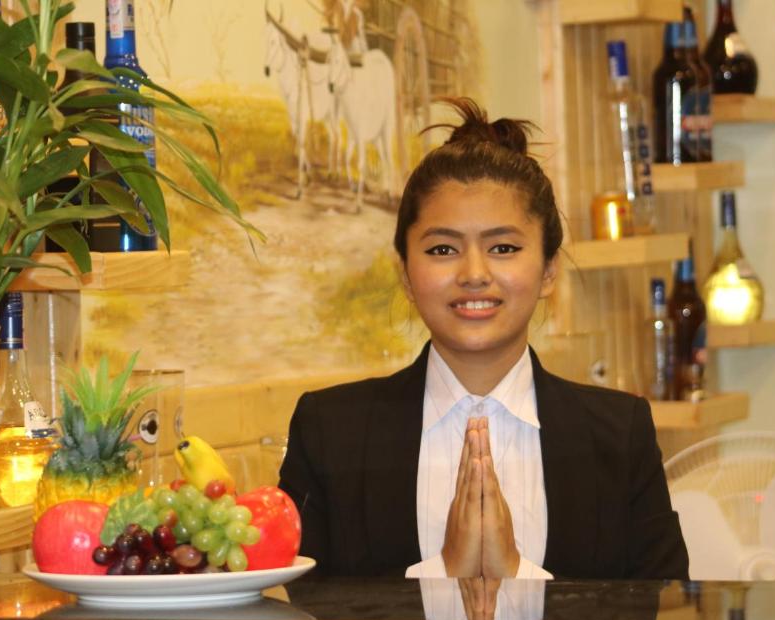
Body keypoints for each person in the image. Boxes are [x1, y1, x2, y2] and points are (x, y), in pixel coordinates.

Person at [278, 98, 690, 580]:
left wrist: (516, 577)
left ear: (549, 270)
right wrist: (444, 575)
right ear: (407, 276)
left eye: (503, 248)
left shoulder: (619, 435)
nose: (474, 274)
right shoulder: (331, 433)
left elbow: (661, 619)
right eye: (443, 249)